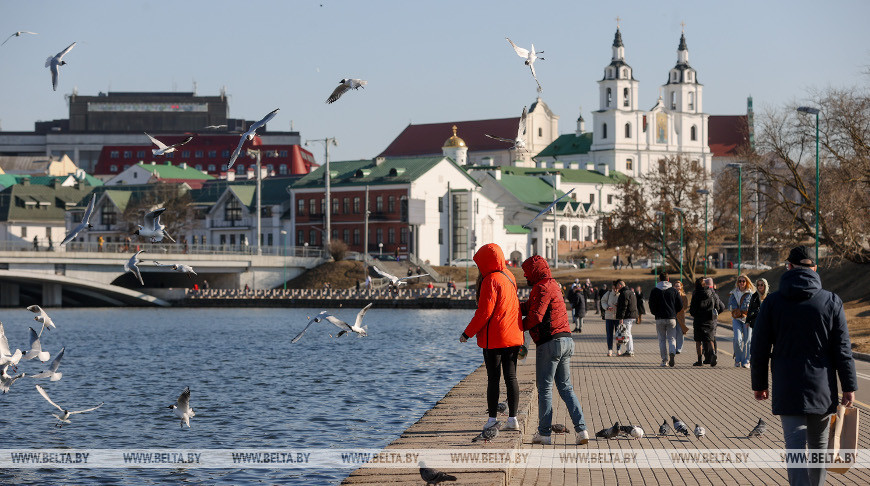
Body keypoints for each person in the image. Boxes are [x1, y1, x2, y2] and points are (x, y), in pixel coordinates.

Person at [751, 246, 857, 486]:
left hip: (787, 385)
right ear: (815, 269)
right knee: (819, 448)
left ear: (789, 267)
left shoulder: (773, 302)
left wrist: (759, 384)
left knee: (795, 449)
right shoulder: (831, 301)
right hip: (822, 388)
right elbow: (842, 349)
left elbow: (759, 347)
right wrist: (849, 386)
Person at [519, 255, 589, 446]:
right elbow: (531, 306)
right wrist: (515, 306)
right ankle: (582, 430)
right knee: (566, 388)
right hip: (566, 340)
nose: (525, 276)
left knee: (545, 389)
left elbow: (536, 316)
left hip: (550, 343)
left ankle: (544, 433)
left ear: (534, 272)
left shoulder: (542, 287)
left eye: (527, 272)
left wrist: (518, 325)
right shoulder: (551, 285)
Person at [460, 243, 524, 432]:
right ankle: (513, 419)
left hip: (495, 338)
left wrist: (467, 334)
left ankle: (492, 420)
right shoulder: (509, 276)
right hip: (513, 335)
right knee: (511, 377)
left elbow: (484, 312)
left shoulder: (490, 280)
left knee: (493, 379)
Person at [648, 273, 683, 367]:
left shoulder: (654, 290)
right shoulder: (673, 290)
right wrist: (674, 312)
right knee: (672, 338)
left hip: (659, 318)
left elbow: (651, 304)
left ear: (659, 279)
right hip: (671, 317)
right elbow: (680, 304)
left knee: (662, 340)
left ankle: (664, 360)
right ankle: (672, 352)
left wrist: (655, 312)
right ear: (668, 280)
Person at [689, 277, 724, 366]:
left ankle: (699, 360)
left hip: (698, 320)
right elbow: (718, 307)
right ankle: (713, 354)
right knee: (710, 339)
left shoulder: (696, 294)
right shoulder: (712, 293)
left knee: (698, 340)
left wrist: (694, 314)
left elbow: (692, 309)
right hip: (710, 319)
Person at [729, 275, 756, 368]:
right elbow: (730, 306)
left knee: (747, 340)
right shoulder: (733, 293)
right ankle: (738, 359)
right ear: (738, 282)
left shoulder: (751, 294)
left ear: (747, 282)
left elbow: (755, 308)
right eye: (740, 281)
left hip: (747, 320)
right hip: (737, 319)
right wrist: (734, 310)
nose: (741, 283)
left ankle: (746, 360)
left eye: (743, 281)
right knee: (737, 339)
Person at [614, 280, 637, 357]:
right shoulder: (630, 292)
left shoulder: (624, 293)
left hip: (627, 316)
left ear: (620, 285)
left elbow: (624, 306)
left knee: (627, 333)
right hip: (631, 315)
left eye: (617, 286)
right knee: (628, 333)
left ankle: (630, 351)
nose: (616, 288)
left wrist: (621, 318)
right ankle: (629, 350)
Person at [602, 282, 620, 356]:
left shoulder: (621, 294)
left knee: (618, 334)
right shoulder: (608, 293)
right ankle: (610, 349)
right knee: (609, 334)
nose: (615, 289)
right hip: (609, 317)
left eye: (616, 288)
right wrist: (607, 307)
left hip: (618, 317)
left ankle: (618, 349)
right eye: (614, 288)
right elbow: (603, 301)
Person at [674, 281, 690, 354]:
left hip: (680, 316)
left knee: (680, 332)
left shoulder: (683, 296)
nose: (677, 287)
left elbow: (685, 306)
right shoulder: (671, 295)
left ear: (681, 287)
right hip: (673, 316)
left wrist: (679, 310)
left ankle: (679, 348)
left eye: (678, 286)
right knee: (673, 332)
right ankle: (673, 347)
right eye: (676, 286)